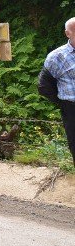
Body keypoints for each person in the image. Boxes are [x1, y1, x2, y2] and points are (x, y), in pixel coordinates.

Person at [39, 17, 75, 160]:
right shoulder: (57, 57)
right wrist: (63, 102)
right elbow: (44, 87)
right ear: (68, 33)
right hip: (72, 109)